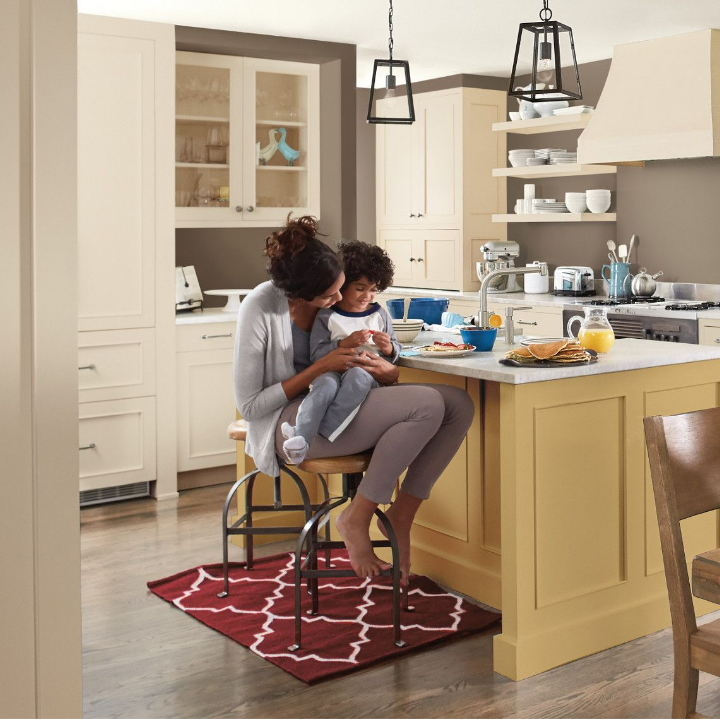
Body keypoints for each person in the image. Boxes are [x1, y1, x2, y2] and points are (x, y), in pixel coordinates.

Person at [233, 215, 474, 583]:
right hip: (292, 423)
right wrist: (322, 367)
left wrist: (387, 370)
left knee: (458, 404)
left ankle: (401, 517)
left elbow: (374, 357)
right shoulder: (260, 307)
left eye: (340, 289)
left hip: (346, 402)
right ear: (299, 292)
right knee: (425, 405)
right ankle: (356, 518)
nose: (336, 300)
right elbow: (250, 406)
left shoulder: (342, 298)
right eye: (328, 295)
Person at [280, 240, 401, 466]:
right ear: (342, 285)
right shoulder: (327, 316)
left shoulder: (379, 314)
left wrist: (389, 348)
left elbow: (395, 349)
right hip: (333, 371)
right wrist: (343, 344)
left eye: (374, 289)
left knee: (357, 377)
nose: (367, 296)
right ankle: (300, 438)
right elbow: (316, 355)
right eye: (360, 288)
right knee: (324, 384)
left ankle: (318, 432)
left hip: (366, 374)